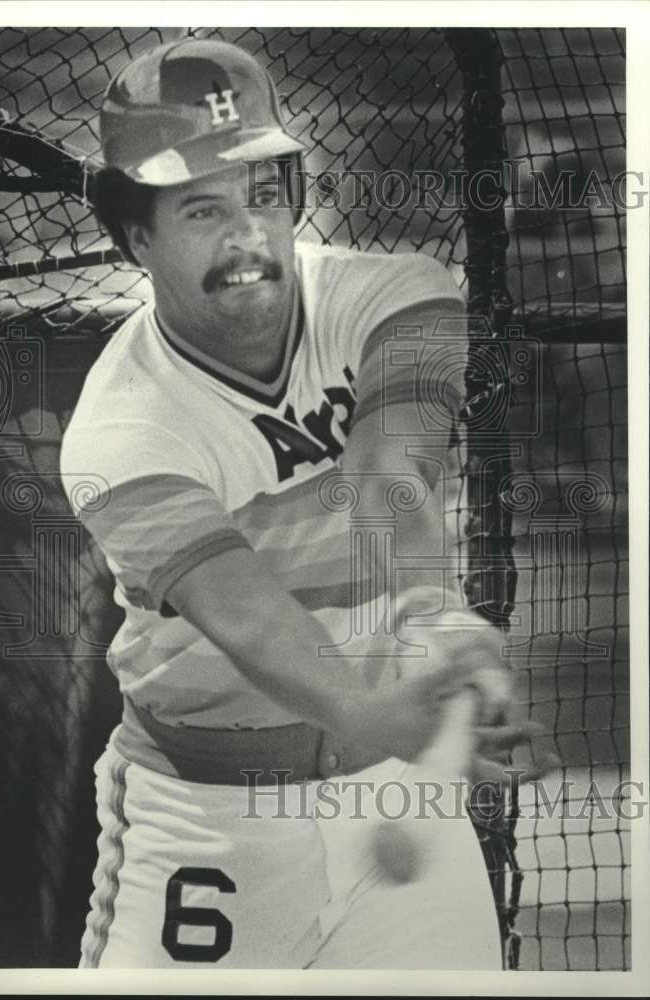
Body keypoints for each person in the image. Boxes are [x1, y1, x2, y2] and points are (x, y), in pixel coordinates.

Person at [61, 37, 530, 969]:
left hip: (401, 797)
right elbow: (240, 609)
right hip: (207, 831)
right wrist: (357, 709)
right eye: (203, 210)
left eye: (264, 196)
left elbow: (382, 473)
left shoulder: (397, 294)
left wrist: (433, 612)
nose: (246, 238)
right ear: (136, 236)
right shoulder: (119, 431)